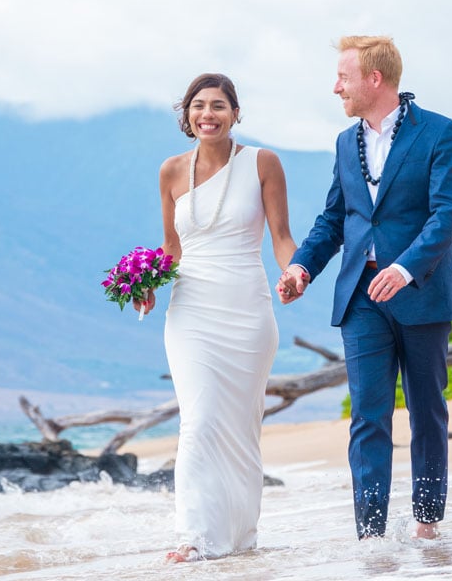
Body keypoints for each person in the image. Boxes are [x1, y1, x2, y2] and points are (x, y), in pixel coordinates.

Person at [276, 35, 452, 541]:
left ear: (374, 79)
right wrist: (302, 267)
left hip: (422, 289)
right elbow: (336, 217)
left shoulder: (441, 133)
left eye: (343, 77)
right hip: (360, 296)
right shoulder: (347, 142)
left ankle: (427, 523)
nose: (335, 87)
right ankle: (371, 536)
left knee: (427, 408)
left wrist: (405, 268)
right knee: (368, 414)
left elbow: (446, 214)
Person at [135, 73, 297, 562]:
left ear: (235, 113)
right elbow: (172, 249)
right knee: (200, 421)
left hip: (247, 308)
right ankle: (196, 536)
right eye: (199, 105)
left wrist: (295, 274)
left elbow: (282, 237)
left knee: (242, 425)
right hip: (190, 312)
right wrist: (145, 284)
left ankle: (242, 535)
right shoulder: (169, 171)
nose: (209, 114)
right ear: (186, 115)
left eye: (219, 106)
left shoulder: (262, 162)